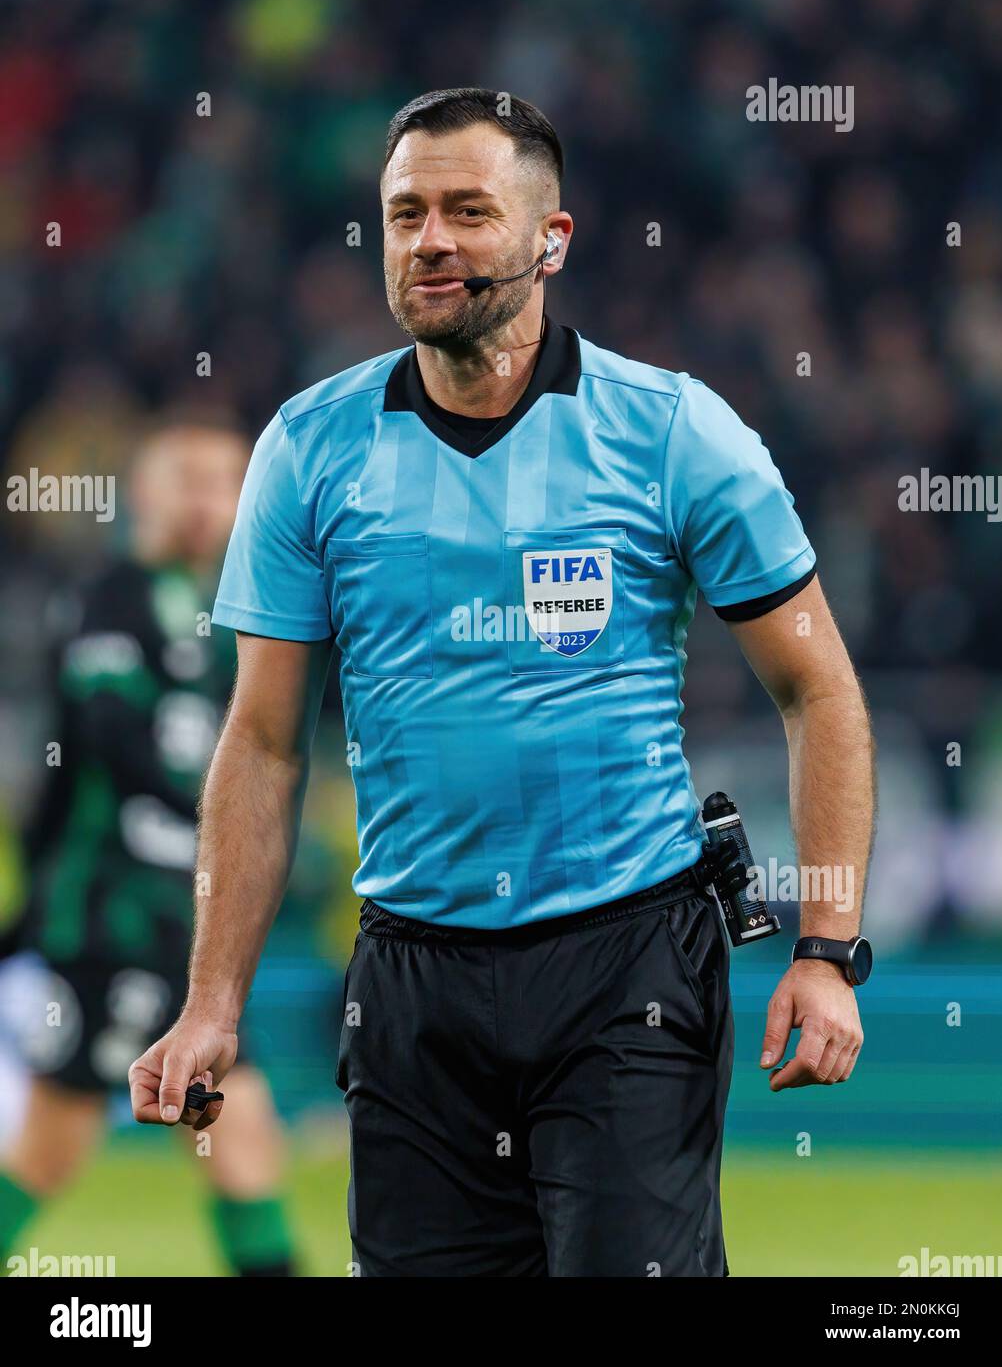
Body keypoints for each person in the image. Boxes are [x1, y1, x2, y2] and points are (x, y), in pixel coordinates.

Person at [130, 89, 875, 1277]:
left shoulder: (673, 434)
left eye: (469, 212)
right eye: (405, 213)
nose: (429, 239)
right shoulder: (309, 450)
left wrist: (826, 949)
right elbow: (264, 743)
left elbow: (818, 693)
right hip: (411, 977)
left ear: (551, 240)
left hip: (624, 964)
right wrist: (212, 1001)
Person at [0, 424, 301, 1277]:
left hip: (198, 931)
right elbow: (100, 742)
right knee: (55, 1140)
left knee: (241, 1133)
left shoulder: (245, 614)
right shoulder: (113, 598)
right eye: (189, 481)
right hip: (114, 920)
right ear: (145, 495)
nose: (208, 501)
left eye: (225, 483)